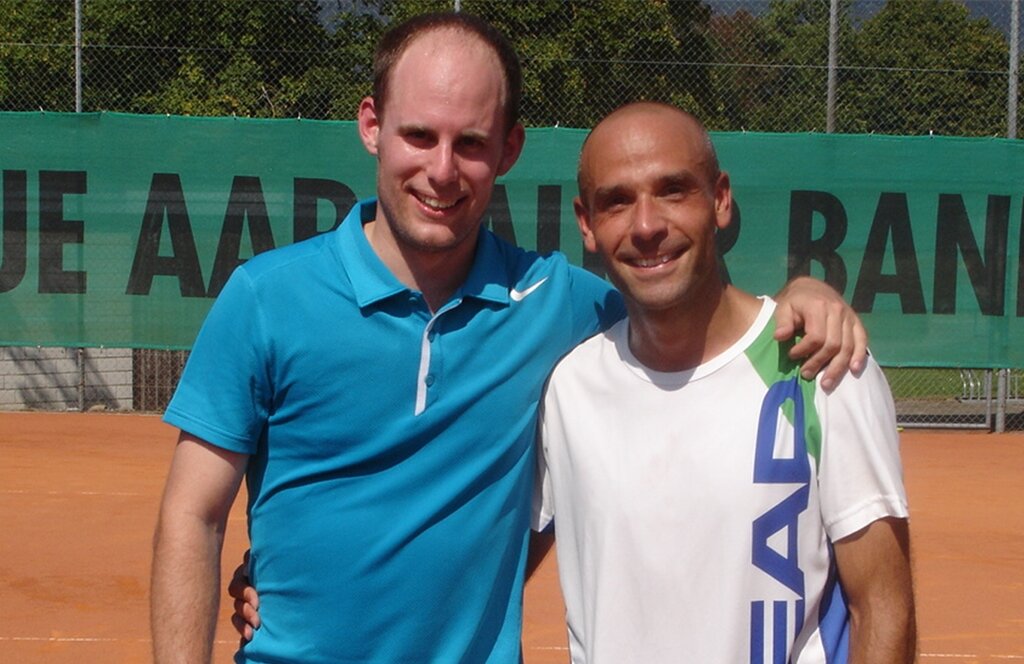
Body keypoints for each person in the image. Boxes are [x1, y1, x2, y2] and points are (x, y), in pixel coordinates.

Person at [151, 12, 867, 664]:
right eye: (418, 136)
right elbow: (194, 512)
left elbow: (692, 310)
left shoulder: (563, 308)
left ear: (510, 148)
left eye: (470, 143)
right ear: (372, 125)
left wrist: (801, 297)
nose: (441, 170)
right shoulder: (265, 298)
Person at [531, 101, 915, 663]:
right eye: (617, 201)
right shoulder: (569, 388)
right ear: (586, 223)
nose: (646, 226)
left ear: (720, 199)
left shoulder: (823, 369)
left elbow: (883, 607)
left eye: (673, 190)